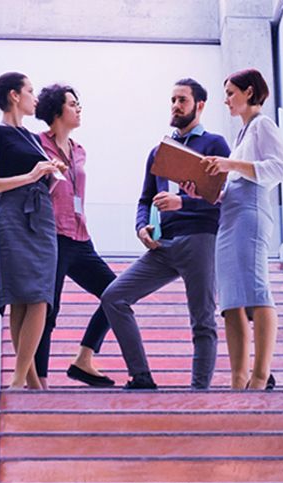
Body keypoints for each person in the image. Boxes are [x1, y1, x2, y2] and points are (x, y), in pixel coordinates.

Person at [94, 78, 231, 390]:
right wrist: (141, 225)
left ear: (199, 105)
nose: (175, 106)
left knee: (202, 320)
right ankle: (141, 376)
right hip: (161, 245)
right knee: (114, 297)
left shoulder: (215, 145)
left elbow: (222, 198)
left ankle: (199, 391)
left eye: (182, 100)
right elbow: (145, 198)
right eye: (172, 100)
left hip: (199, 238)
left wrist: (182, 201)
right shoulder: (158, 151)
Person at [26, 84, 121, 387]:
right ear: (56, 111)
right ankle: (39, 381)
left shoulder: (79, 150)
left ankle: (84, 359)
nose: (79, 108)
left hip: (80, 237)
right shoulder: (35, 144)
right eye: (72, 104)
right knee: (47, 310)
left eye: (79, 104)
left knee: (117, 293)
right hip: (50, 236)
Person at [0, 72, 67, 390]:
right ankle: (22, 380)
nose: (35, 97)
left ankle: (27, 381)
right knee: (20, 297)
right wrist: (31, 176)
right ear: (15, 95)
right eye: (30, 91)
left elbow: (36, 174)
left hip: (40, 216)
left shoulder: (30, 136)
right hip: (12, 214)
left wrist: (50, 171)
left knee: (40, 296)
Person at [201, 69, 283, 391]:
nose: (226, 100)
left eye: (231, 93)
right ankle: (238, 378)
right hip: (230, 213)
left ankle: (260, 376)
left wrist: (229, 165)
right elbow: (235, 180)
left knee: (256, 289)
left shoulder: (263, 125)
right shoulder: (242, 134)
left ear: (249, 92)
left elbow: (279, 169)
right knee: (231, 300)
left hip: (251, 211)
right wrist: (208, 190)